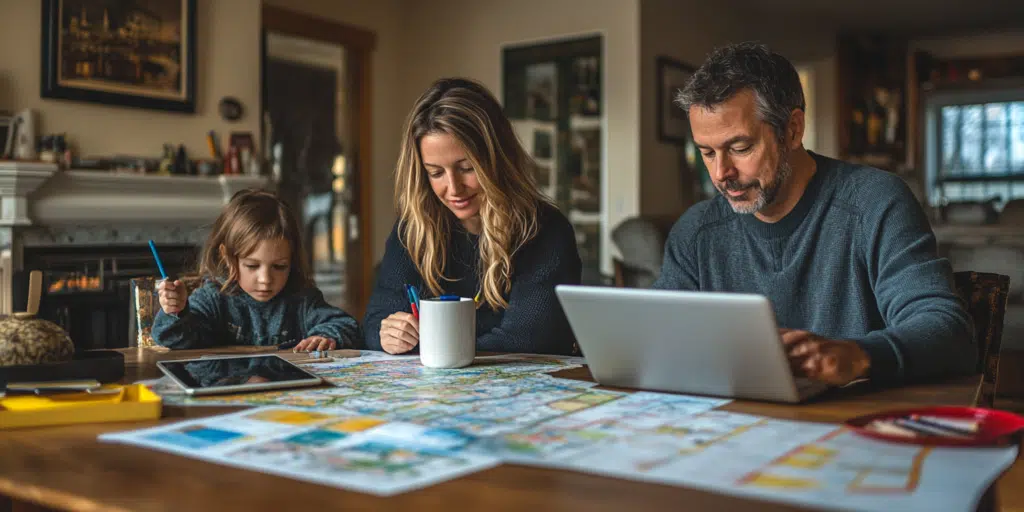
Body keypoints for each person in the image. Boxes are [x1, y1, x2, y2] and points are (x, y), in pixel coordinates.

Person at [654, 42, 974, 386]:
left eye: (740, 148)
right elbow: (655, 336)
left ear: (792, 130)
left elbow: (948, 330)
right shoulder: (695, 232)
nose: (720, 173)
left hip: (852, 421)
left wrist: (860, 355)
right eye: (707, 152)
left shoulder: (875, 204)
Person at [364, 77, 581, 356]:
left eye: (467, 168)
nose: (453, 189)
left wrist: (428, 347)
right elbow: (374, 322)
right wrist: (388, 334)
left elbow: (528, 340)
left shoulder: (546, 230)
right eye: (436, 173)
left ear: (496, 159)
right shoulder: (412, 229)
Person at [152, 189, 361, 351]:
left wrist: (324, 337)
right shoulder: (213, 297)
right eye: (252, 266)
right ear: (227, 257)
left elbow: (346, 324)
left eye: (279, 266)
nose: (265, 279)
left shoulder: (300, 299)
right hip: (229, 394)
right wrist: (175, 311)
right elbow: (172, 337)